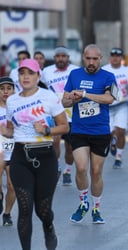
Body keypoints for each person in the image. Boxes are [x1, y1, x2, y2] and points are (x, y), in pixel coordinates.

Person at [2, 59, 69, 250]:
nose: (25, 77)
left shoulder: (49, 97)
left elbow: (64, 126)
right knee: (24, 208)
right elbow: (10, 130)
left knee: (43, 210)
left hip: (45, 156)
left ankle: (48, 227)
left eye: (30, 73)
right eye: (22, 73)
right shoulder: (12, 101)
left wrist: (47, 131)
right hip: (20, 156)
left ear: (38, 76)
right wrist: (3, 131)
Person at [63, 44, 116, 224]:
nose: (91, 62)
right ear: (83, 58)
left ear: (101, 58)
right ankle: (83, 203)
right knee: (82, 168)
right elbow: (64, 102)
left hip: (100, 131)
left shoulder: (108, 77)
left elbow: (109, 98)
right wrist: (71, 97)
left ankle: (96, 208)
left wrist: (86, 94)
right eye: (88, 58)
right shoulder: (74, 75)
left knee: (96, 172)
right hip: (79, 130)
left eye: (95, 59)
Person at [42, 46, 80, 185]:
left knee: (70, 147)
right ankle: (56, 167)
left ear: (68, 58)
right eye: (58, 56)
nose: (61, 59)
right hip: (54, 113)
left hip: (71, 114)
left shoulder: (75, 70)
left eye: (63, 56)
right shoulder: (46, 72)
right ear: (54, 58)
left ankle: (68, 170)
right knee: (55, 141)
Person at [102, 47, 128, 168]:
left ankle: (118, 157)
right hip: (107, 106)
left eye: (118, 56)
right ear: (110, 57)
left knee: (121, 131)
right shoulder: (104, 70)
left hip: (122, 105)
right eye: (113, 56)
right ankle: (112, 141)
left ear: (121, 58)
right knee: (109, 133)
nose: (115, 58)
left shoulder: (127, 71)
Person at [0, 77, 16, 226]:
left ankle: (7, 213)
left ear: (14, 90)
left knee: (12, 185)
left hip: (13, 152)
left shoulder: (18, 107)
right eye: (2, 88)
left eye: (9, 88)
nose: (5, 92)